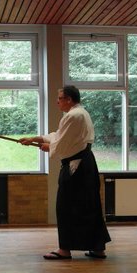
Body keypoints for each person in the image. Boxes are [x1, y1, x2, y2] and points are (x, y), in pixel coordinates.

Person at [19, 85, 111, 260]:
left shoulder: (74, 116)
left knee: (65, 206)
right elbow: (61, 136)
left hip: (76, 167)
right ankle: (98, 248)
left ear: (69, 99)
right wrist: (35, 139)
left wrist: (49, 147)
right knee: (89, 206)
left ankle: (65, 249)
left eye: (60, 98)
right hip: (85, 165)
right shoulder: (80, 113)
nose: (57, 102)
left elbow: (61, 143)